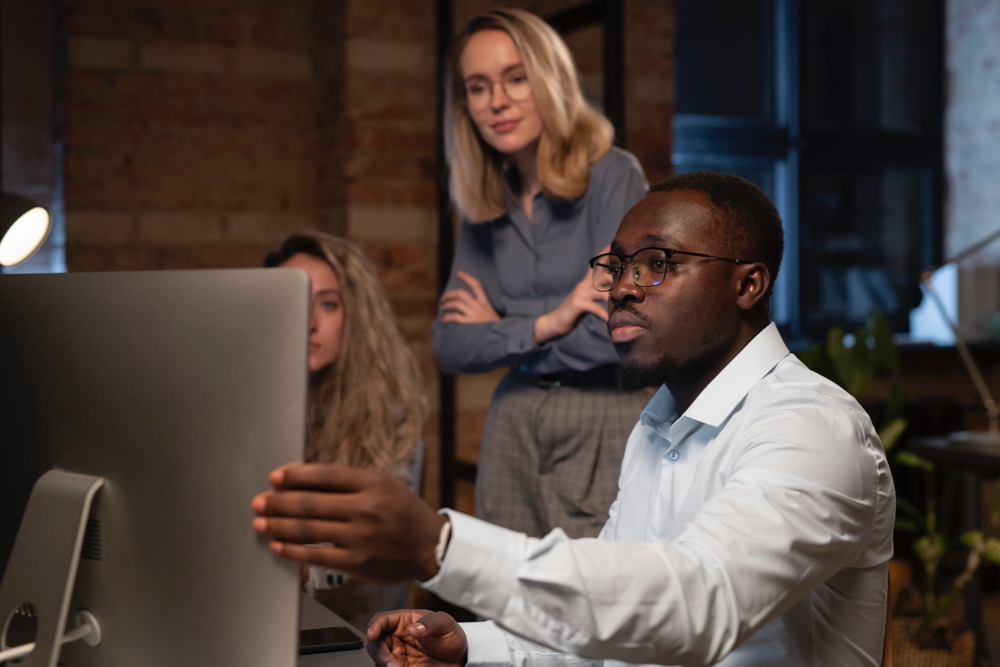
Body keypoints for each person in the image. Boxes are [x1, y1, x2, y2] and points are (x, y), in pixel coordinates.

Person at [252, 174, 896, 665]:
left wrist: (438, 545)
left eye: (657, 263)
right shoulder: (656, 425)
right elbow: (614, 618)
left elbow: (697, 603)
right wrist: (474, 647)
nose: (618, 286)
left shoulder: (812, 428)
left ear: (748, 285)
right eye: (615, 265)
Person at [434, 8, 652, 539]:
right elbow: (449, 347)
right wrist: (547, 322)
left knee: (592, 605)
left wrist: (503, 328)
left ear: (550, 80)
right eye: (478, 87)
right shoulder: (486, 203)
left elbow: (621, 335)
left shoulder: (613, 175)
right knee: (504, 601)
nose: (497, 101)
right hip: (512, 422)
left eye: (516, 78)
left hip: (606, 414)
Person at [263, 231, 428, 627]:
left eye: (328, 303)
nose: (310, 322)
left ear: (355, 314)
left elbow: (382, 536)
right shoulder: (243, 400)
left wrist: (301, 569)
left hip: (348, 623)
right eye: (293, 302)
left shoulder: (388, 409)